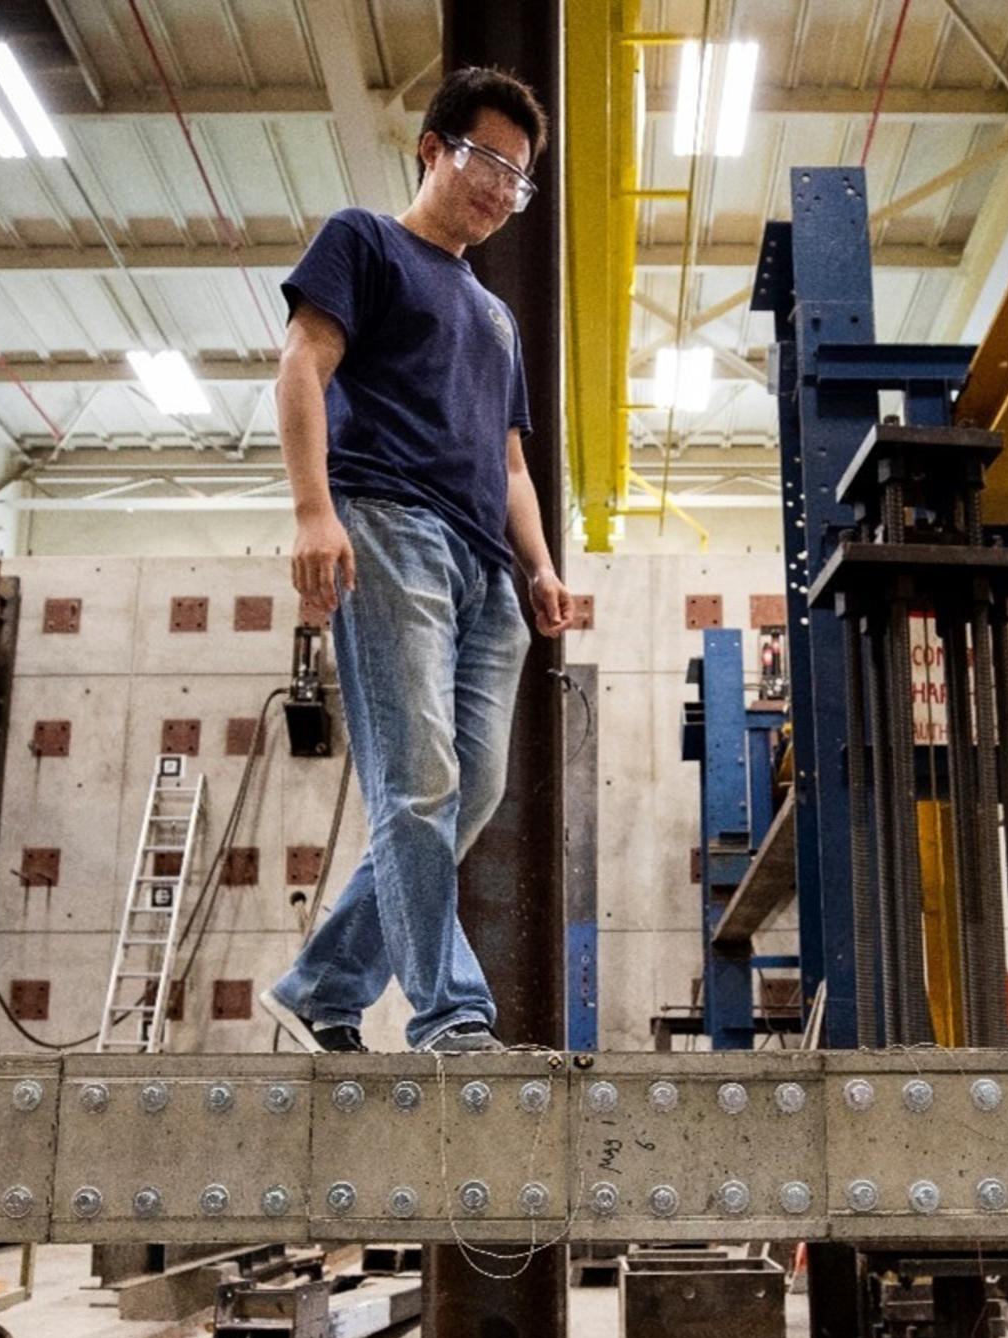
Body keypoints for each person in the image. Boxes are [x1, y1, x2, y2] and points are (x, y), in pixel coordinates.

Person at [255, 66, 571, 1055]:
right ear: (433, 147)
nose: (498, 188)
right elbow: (302, 362)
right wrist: (314, 511)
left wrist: (542, 565)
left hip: (489, 576)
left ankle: (323, 984)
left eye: (517, 179)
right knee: (417, 777)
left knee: (466, 791)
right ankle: (451, 1013)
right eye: (484, 159)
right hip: (389, 524)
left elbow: (512, 459)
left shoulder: (498, 316)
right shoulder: (366, 239)